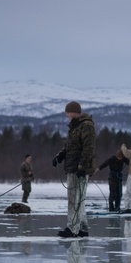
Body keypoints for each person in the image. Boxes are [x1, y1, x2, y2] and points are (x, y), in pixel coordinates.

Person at [52, 101, 96, 238]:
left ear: (74, 112)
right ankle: (82, 228)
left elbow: (88, 148)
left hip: (79, 169)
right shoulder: (75, 126)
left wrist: (82, 167)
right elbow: (71, 146)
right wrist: (60, 155)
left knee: (75, 200)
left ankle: (73, 229)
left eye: (68, 112)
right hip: (72, 167)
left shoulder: (86, 126)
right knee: (77, 200)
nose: (66, 115)